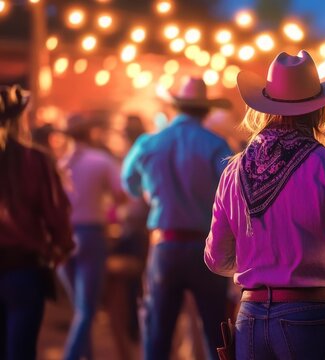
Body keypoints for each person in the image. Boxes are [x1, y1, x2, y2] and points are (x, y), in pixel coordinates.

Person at [204, 50, 325, 359]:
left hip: (249, 316)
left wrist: (264, 262)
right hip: (312, 316)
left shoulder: (232, 171)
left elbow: (216, 258)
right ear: (319, 109)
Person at [121, 77, 232, 360]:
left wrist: (150, 192)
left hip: (165, 246)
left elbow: (129, 182)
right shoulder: (217, 145)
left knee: (158, 332)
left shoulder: (149, 142)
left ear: (175, 107)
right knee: (215, 334)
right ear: (205, 111)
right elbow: (233, 196)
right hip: (207, 249)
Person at [0, 85, 75, 359]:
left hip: (24, 268)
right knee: (20, 352)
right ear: (17, 119)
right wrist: (60, 249)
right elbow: (56, 214)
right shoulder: (35, 160)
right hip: (23, 270)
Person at [58, 113, 126, 360]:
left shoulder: (60, 163)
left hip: (62, 237)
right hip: (91, 235)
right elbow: (121, 196)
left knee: (79, 308)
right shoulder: (100, 161)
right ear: (91, 133)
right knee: (86, 310)